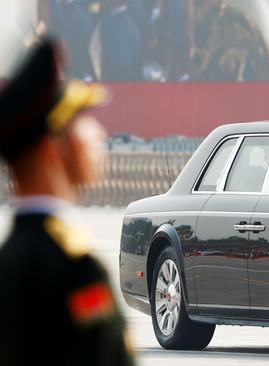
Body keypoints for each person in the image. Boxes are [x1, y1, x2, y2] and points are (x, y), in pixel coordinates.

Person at [0, 38, 134, 365]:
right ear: (51, 148)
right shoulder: (73, 267)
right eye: (82, 122)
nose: (99, 134)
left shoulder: (10, 259)